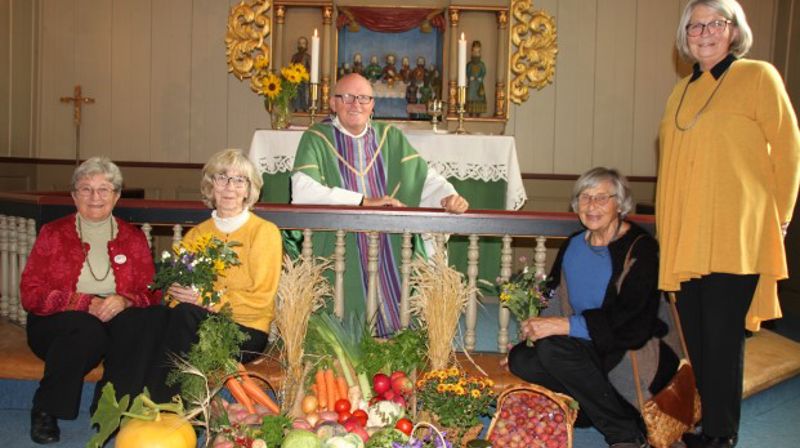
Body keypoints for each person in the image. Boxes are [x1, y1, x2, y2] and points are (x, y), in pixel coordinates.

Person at [656, 1, 800, 446]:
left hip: (735, 235)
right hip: (688, 238)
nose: (704, 33)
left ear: (734, 31)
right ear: (685, 36)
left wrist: (780, 218)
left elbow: (789, 150)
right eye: (694, 26)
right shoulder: (681, 91)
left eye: (715, 24)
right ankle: (708, 425)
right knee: (697, 342)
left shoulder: (759, 77)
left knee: (722, 340)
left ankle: (722, 436)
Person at [507, 168, 677, 448]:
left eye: (601, 198)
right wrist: (531, 334)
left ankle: (624, 432)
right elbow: (553, 295)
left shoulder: (642, 249)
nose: (591, 205)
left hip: (629, 348)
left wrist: (564, 326)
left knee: (554, 350)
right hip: (586, 342)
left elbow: (633, 321)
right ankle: (591, 408)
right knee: (521, 359)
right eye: (585, 197)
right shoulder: (574, 244)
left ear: (620, 204)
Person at [290, 73, 469, 335]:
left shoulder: (390, 137)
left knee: (397, 316)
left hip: (389, 243)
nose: (356, 104)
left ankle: (394, 341)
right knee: (340, 329)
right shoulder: (316, 138)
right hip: (339, 242)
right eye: (347, 97)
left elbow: (423, 179)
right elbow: (303, 190)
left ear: (372, 104)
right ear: (333, 103)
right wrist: (362, 201)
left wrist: (448, 197)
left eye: (363, 98)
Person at [20, 157, 162, 444]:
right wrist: (84, 302)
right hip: (57, 322)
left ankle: (111, 406)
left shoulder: (133, 237)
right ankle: (46, 408)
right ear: (74, 195)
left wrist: (125, 301)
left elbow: (152, 292)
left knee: (143, 322)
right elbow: (30, 294)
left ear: (116, 195)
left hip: (114, 314)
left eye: (104, 189)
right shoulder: (53, 233)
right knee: (85, 328)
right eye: (86, 189)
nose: (95, 197)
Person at [146, 149, 282, 402]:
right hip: (193, 323)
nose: (230, 187)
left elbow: (262, 298)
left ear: (249, 190)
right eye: (222, 178)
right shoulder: (196, 235)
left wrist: (208, 300)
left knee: (184, 317)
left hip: (245, 331)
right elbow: (176, 295)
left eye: (239, 180)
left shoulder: (264, 232)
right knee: (150, 318)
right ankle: (146, 401)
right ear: (211, 185)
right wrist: (177, 292)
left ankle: (164, 404)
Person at [466, 41, 487, 117]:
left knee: (479, 98)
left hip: (478, 84)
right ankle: (471, 114)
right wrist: (470, 77)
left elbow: (483, 72)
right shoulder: (469, 64)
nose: (476, 54)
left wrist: (480, 77)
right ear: (472, 51)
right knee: (471, 97)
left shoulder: (481, 64)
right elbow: (468, 71)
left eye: (478, 52)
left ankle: (478, 114)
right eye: (474, 52)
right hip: (472, 85)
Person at [290, 36, 311, 112]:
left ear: (306, 45)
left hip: (304, 79)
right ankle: (296, 107)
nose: (301, 45)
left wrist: (305, 72)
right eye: (300, 43)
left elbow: (310, 67)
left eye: (303, 43)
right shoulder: (294, 56)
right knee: (296, 94)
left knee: (304, 93)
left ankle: (305, 107)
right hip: (295, 79)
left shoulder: (308, 57)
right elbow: (291, 67)